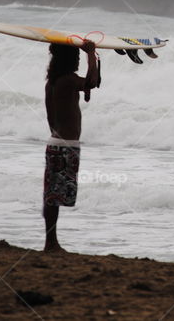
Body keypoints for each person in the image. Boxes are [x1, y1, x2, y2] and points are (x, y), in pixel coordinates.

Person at [43, 40, 100, 252]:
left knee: (52, 196)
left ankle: (51, 242)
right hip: (65, 147)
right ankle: (51, 243)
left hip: (56, 145)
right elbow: (92, 82)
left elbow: (86, 88)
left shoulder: (54, 82)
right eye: (76, 56)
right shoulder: (67, 80)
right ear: (69, 59)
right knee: (53, 197)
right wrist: (91, 54)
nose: (77, 59)